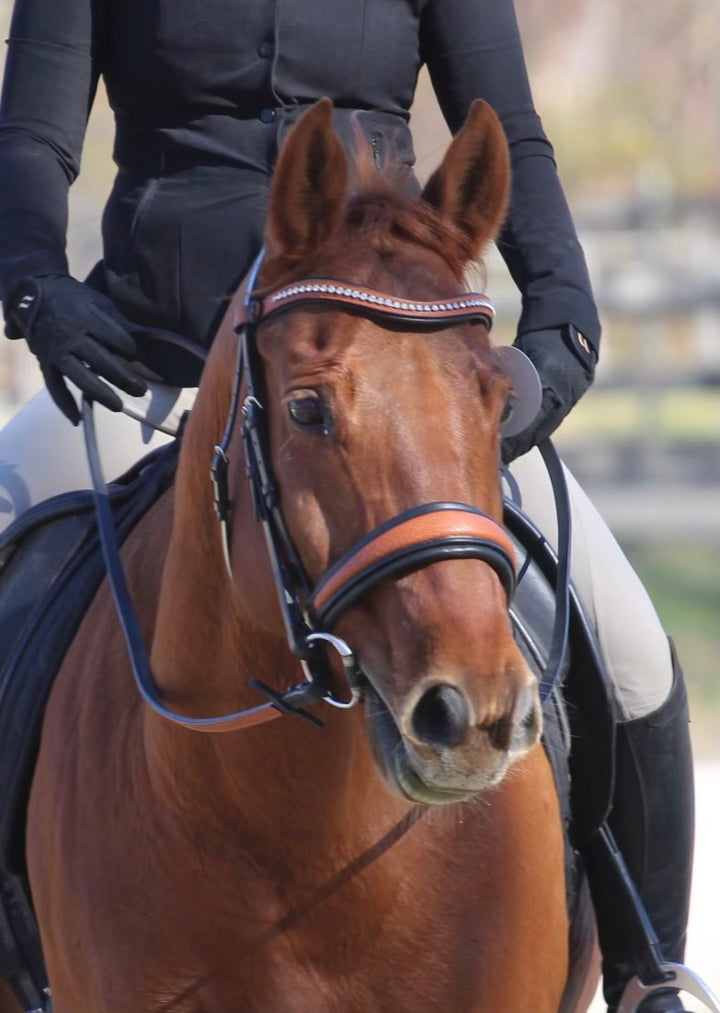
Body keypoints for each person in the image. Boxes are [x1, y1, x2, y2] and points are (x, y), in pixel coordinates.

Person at [0, 1, 695, 1010]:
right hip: (146, 367)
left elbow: (513, 131)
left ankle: (647, 970)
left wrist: (562, 323)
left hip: (390, 384)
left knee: (628, 639)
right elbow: (30, 140)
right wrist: (37, 291)